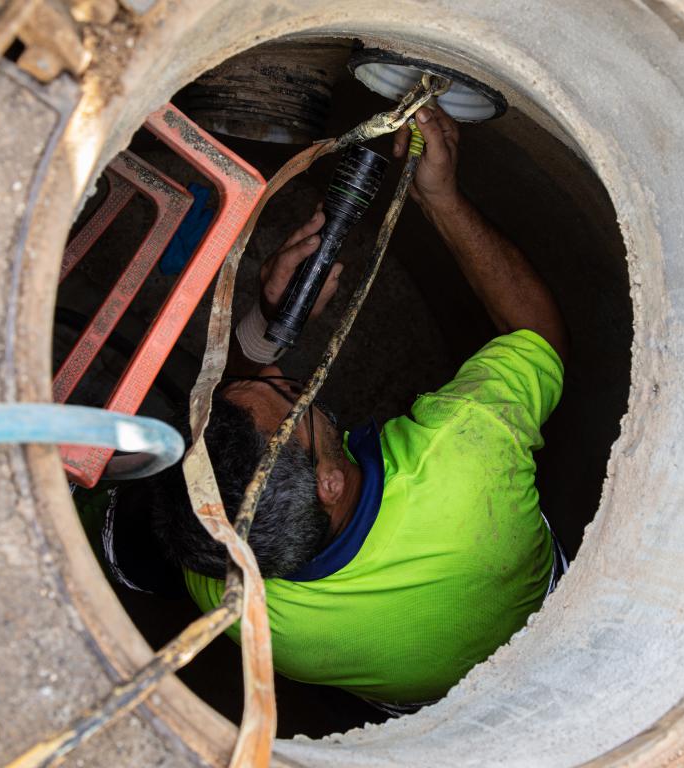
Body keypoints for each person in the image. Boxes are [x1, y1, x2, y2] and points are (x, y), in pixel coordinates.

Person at [150, 105, 569, 710]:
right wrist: (440, 198)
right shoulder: (462, 453)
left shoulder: (228, 586)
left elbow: (238, 425)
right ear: (330, 482)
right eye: (289, 399)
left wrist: (267, 322)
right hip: (551, 616)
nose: (283, 375)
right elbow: (537, 335)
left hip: (438, 707)